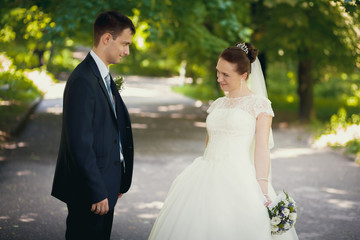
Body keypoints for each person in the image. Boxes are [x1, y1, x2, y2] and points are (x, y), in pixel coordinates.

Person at [148, 43, 299, 240]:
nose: (219, 78)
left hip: (239, 178)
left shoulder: (260, 105)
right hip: (203, 175)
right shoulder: (217, 104)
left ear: (244, 75)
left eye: (226, 75)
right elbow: (208, 145)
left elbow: (262, 149)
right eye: (218, 72)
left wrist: (262, 187)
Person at [51, 11, 135, 240]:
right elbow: (79, 143)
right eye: (125, 44)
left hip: (105, 185)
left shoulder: (102, 76)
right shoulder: (82, 80)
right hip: (90, 192)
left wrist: (117, 180)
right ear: (107, 38)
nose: (127, 51)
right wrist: (96, 191)